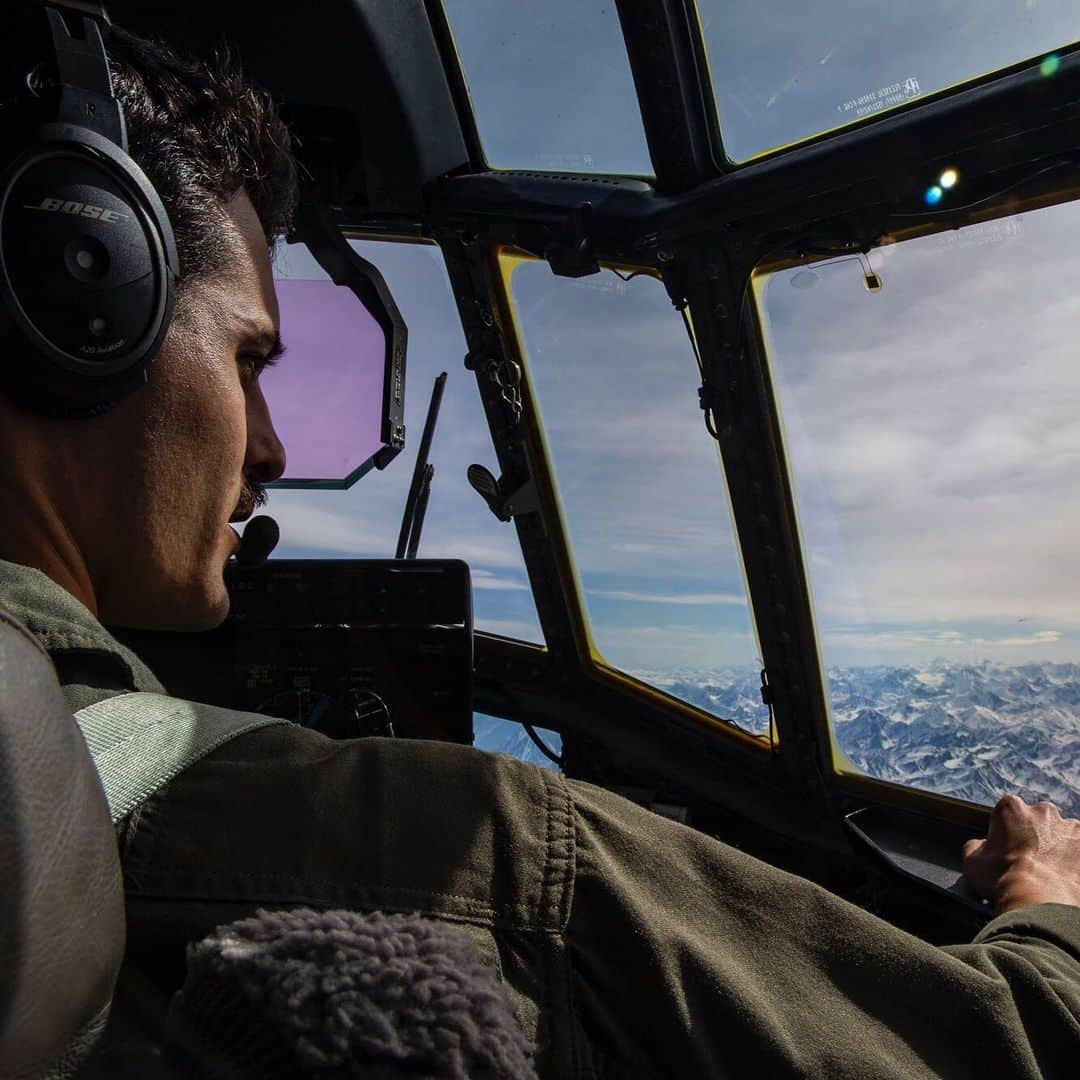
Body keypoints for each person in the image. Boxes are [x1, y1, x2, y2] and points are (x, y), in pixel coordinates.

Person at [0, 23, 1077, 1079]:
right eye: (248, 360)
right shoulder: (456, 850)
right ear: (83, 296)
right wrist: (1046, 907)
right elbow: (1007, 1044)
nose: (272, 446)